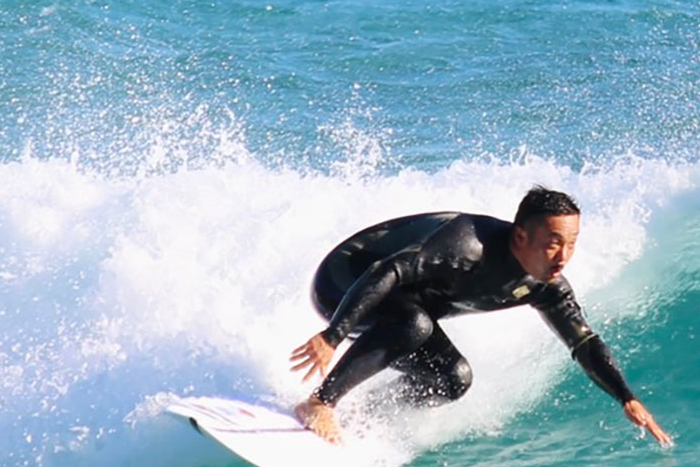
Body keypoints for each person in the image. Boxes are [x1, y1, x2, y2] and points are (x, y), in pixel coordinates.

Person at [288, 186, 674, 448]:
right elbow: (387, 272)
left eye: (571, 244)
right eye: (553, 243)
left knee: (453, 379)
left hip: (403, 307)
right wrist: (333, 336)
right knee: (414, 324)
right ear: (521, 236)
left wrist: (626, 397)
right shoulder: (467, 244)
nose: (563, 256)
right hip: (346, 281)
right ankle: (321, 402)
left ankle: (364, 413)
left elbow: (584, 343)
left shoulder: (546, 285)